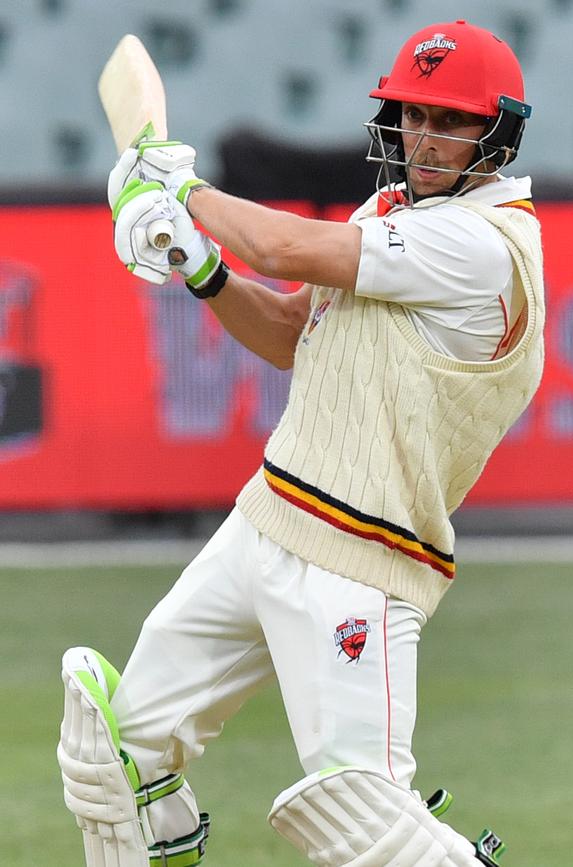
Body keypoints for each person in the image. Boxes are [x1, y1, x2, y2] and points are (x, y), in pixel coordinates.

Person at [57, 20, 545, 867]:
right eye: (413, 115)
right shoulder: (394, 209)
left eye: (453, 121)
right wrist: (197, 261)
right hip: (265, 518)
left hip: (361, 558)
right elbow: (293, 330)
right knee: (121, 755)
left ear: (496, 134)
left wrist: (185, 190)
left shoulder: (482, 243)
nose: (425, 138)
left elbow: (285, 244)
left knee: (368, 826)